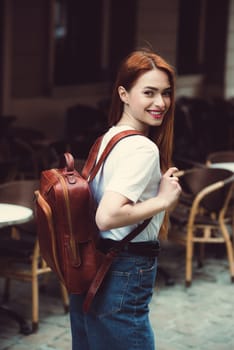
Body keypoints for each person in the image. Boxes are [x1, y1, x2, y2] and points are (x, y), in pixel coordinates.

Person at [69, 48, 181, 350]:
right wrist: (164, 201)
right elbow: (107, 215)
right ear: (123, 93)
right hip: (126, 264)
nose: (161, 103)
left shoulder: (109, 137)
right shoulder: (143, 149)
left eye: (166, 93)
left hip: (93, 259)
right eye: (149, 92)